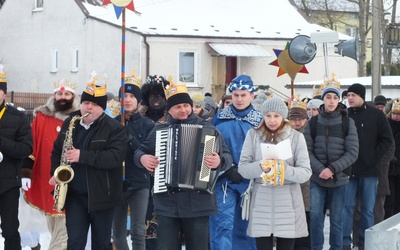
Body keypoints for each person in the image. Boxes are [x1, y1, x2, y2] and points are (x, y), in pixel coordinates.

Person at [134, 79, 232, 250]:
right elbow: (139, 152)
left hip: (198, 202)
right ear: (169, 110)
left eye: (186, 105)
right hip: (167, 203)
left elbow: (227, 157)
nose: (183, 110)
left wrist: (219, 161)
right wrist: (143, 158)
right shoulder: (160, 130)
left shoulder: (208, 129)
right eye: (178, 107)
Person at [49, 72, 128, 250]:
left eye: (94, 104)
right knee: (74, 243)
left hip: (103, 196)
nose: (89, 108)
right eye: (86, 103)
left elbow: (115, 158)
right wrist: (55, 173)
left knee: (101, 244)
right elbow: (56, 151)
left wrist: (82, 156)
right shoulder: (70, 122)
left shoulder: (114, 128)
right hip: (75, 196)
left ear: (102, 107)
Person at [238, 96, 312, 250]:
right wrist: (260, 167)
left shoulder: (296, 138)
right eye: (268, 116)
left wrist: (285, 169)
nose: (272, 120)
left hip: (288, 205)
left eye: (276, 116)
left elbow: (305, 172)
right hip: (261, 204)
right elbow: (243, 169)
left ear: (283, 116)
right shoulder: (253, 135)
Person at [23, 79, 80, 250]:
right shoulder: (41, 117)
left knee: (63, 230)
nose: (63, 97)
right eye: (59, 93)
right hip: (46, 178)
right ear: (54, 95)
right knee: (54, 224)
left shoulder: (78, 118)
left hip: (72, 181)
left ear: (73, 96)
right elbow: (31, 144)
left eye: (67, 94)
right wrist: (26, 170)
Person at [304, 81, 359, 250]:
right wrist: (321, 170)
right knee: (315, 218)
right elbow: (307, 151)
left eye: (335, 97)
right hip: (317, 178)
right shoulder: (313, 123)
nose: (331, 101)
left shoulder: (347, 123)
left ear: (338, 100)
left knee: (337, 220)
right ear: (323, 100)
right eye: (328, 97)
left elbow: (352, 152)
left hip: (339, 179)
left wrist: (332, 169)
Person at [210, 75, 261, 250]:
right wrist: (228, 167)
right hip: (224, 180)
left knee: (247, 226)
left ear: (252, 96)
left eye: (243, 95)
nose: (239, 99)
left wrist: (248, 170)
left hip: (251, 182)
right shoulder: (219, 119)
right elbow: (211, 147)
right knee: (222, 224)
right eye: (236, 95)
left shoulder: (260, 121)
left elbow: (266, 152)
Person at [342, 83, 394, 250]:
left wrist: (374, 157)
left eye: (353, 95)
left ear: (362, 96)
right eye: (348, 95)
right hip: (348, 170)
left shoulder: (376, 116)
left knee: (367, 209)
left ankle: (365, 241)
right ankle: (344, 241)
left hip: (370, 171)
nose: (349, 98)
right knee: (347, 207)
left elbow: (387, 140)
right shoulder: (344, 115)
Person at [112, 72, 155, 250]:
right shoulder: (112, 123)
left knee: (138, 231)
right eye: (124, 96)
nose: (127, 100)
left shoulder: (148, 125)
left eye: (132, 96)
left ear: (138, 101)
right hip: (116, 184)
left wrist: (129, 137)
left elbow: (147, 152)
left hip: (139, 183)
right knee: (118, 234)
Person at [0, 65, 33, 250]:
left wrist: (2, 142)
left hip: (8, 184)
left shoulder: (18, 117)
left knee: (10, 231)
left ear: (4, 93)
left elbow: (26, 148)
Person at [138, 75, 168, 250]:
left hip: (167, 178)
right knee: (146, 220)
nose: (156, 98)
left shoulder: (172, 119)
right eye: (152, 94)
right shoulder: (139, 120)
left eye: (160, 94)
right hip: (144, 177)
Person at [288, 96, 311, 250]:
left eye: (301, 119)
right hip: (288, 184)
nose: (297, 122)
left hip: (307, 186)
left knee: (305, 222)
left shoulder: (310, 134)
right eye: (294, 118)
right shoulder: (284, 134)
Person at [384, 99, 400, 219]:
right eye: (394, 113)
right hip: (388, 168)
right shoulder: (386, 125)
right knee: (389, 199)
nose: (396, 116)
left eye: (398, 114)